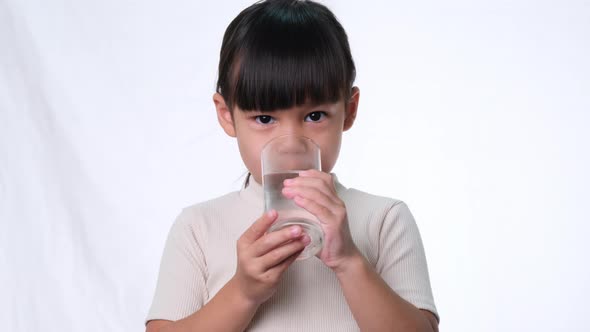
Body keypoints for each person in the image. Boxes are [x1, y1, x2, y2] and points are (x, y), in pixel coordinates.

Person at [145, 0, 439, 331]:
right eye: (265, 118)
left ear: (350, 110)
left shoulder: (384, 219)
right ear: (227, 115)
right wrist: (243, 292)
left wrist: (349, 261)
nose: (290, 143)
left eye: (315, 116)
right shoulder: (199, 227)